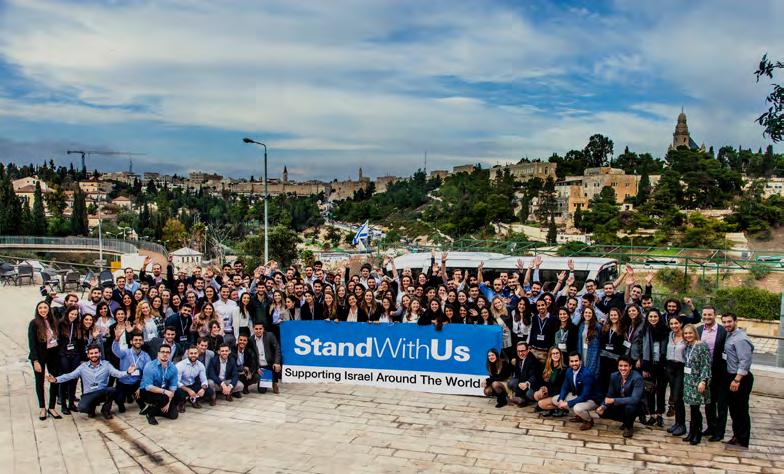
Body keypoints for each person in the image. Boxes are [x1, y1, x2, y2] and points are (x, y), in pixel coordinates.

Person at [49, 344, 137, 419]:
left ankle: (105, 410)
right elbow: (70, 375)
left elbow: (117, 373)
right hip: (89, 394)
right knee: (82, 408)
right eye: (91, 353)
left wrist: (127, 372)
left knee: (113, 390)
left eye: (96, 353)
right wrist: (56, 379)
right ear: (88, 355)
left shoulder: (106, 364)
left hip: (102, 392)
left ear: (100, 354)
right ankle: (91, 408)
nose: (94, 355)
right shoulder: (83, 367)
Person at [720, 313, 754, 448]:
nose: (726, 324)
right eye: (724, 322)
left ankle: (743, 439)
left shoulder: (741, 339)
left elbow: (745, 361)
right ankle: (737, 436)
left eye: (729, 322)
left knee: (741, 409)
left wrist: (737, 380)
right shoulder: (730, 335)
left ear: (736, 321)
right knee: (734, 409)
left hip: (739, 378)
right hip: (730, 375)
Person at [697, 305, 728, 442]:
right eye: (705, 314)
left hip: (720, 373)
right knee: (708, 402)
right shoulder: (698, 330)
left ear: (715, 315)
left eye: (710, 314)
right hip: (704, 372)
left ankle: (719, 432)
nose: (707, 317)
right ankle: (711, 427)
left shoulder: (723, 331)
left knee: (721, 404)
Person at [550, 352, 602, 431]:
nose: (574, 363)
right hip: (579, 396)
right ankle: (580, 416)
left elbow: (584, 396)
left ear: (580, 361)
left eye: (576, 361)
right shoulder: (569, 371)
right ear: (569, 362)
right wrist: (561, 399)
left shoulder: (586, 374)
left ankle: (588, 420)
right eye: (572, 361)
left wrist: (567, 403)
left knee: (577, 408)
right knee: (555, 399)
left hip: (592, 399)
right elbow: (565, 387)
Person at [597, 356, 645, 438]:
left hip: (636, 405)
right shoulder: (614, 376)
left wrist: (614, 400)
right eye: (620, 366)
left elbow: (635, 399)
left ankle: (629, 427)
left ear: (630, 367)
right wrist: (603, 406)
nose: (623, 368)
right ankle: (626, 421)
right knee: (602, 412)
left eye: (625, 366)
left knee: (630, 407)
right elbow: (610, 395)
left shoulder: (637, 378)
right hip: (621, 403)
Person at [28, 301, 61, 420]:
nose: (43, 310)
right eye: (40, 308)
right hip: (39, 356)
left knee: (54, 380)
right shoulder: (34, 323)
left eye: (45, 308)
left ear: (49, 309)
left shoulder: (53, 321)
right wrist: (35, 361)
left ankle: (52, 407)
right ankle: (42, 407)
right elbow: (32, 343)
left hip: (53, 354)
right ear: (37, 310)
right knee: (40, 381)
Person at [681, 324, 712, 445]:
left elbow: (706, 365)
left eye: (690, 333)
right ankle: (691, 432)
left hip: (698, 381)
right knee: (692, 407)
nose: (688, 335)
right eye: (686, 333)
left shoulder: (702, 346)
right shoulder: (688, 346)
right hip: (688, 381)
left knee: (696, 408)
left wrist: (703, 381)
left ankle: (697, 433)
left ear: (695, 333)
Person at [139, 343, 181, 425]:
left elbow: (173, 388)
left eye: (167, 352)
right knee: (164, 398)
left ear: (170, 354)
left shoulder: (173, 368)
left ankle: (151, 408)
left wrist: (168, 403)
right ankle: (150, 414)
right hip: (147, 391)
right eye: (162, 352)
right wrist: (165, 392)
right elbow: (148, 387)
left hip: (162, 392)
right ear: (158, 353)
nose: (165, 354)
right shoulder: (150, 366)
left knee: (173, 415)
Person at [640, 309, 668, 427]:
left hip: (662, 365)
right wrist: (644, 367)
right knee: (649, 391)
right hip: (649, 364)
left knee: (661, 391)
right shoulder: (645, 330)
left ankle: (660, 414)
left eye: (655, 316)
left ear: (659, 317)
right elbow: (641, 349)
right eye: (650, 316)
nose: (653, 318)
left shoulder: (665, 330)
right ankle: (652, 415)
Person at [112, 329, 151, 413]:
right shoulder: (125, 352)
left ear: (143, 342)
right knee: (119, 399)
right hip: (123, 382)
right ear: (131, 342)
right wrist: (117, 339)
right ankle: (121, 403)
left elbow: (148, 372)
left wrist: (141, 387)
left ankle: (141, 404)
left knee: (142, 395)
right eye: (135, 340)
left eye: (140, 340)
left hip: (136, 382)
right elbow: (115, 350)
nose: (138, 342)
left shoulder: (146, 356)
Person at [57, 306, 82, 415]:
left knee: (74, 379)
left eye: (75, 314)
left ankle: (71, 403)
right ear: (67, 313)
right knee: (65, 379)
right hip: (64, 354)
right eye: (72, 314)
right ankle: (63, 404)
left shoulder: (77, 325)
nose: (73, 316)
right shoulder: (60, 324)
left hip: (75, 354)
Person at [665, 317, 687, 436]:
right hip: (670, 367)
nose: (674, 326)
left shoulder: (686, 336)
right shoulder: (670, 335)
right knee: (674, 396)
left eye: (676, 323)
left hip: (680, 367)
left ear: (681, 324)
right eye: (671, 324)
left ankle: (682, 425)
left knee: (678, 397)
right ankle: (677, 423)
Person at [175, 346, 213, 411]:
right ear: (187, 354)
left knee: (209, 391)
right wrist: (188, 390)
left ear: (198, 354)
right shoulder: (180, 365)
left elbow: (204, 380)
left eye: (195, 353)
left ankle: (193, 399)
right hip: (182, 387)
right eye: (191, 353)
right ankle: (182, 402)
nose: (193, 355)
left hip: (192, 385)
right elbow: (176, 382)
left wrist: (203, 389)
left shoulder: (200, 365)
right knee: (178, 391)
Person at [534, 346, 566, 417]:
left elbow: (561, 387)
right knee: (537, 395)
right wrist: (542, 387)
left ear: (560, 355)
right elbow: (539, 379)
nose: (555, 355)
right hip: (550, 391)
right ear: (550, 356)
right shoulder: (547, 366)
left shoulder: (564, 369)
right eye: (553, 353)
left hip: (558, 394)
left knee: (541, 404)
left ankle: (562, 408)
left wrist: (548, 389)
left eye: (557, 353)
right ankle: (550, 409)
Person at [250, 322, 281, 394]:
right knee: (262, 391)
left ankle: (274, 382)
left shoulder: (270, 335)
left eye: (260, 329)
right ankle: (268, 379)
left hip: (270, 364)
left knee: (277, 366)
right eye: (256, 329)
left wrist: (277, 362)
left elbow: (277, 349)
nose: (258, 331)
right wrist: (257, 367)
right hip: (261, 366)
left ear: (263, 329)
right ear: (253, 329)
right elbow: (252, 356)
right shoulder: (251, 339)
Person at [508, 342, 541, 407]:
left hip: (533, 384)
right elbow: (517, 374)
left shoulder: (532, 360)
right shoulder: (518, 357)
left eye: (523, 351)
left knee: (529, 394)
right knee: (511, 383)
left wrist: (527, 383)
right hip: (522, 380)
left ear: (528, 350)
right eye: (518, 351)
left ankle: (525, 399)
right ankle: (520, 398)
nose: (520, 353)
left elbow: (534, 376)